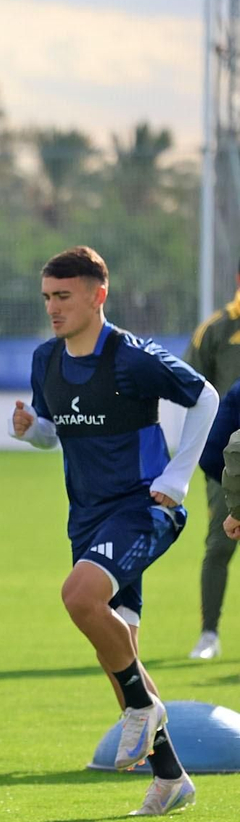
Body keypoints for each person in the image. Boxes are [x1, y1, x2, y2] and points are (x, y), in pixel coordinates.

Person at [10, 246, 215, 816]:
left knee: (79, 596)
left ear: (98, 295)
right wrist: (31, 431)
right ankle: (171, 778)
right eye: (47, 297)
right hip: (89, 517)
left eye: (64, 296)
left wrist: (177, 479)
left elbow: (206, 398)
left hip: (145, 506)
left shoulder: (132, 357)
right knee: (116, 648)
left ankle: (141, 710)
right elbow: (57, 432)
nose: (53, 307)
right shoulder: (46, 359)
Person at [182, 264, 240, 659]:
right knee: (220, 543)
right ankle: (209, 634)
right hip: (229, 460)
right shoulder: (217, 330)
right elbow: (191, 389)